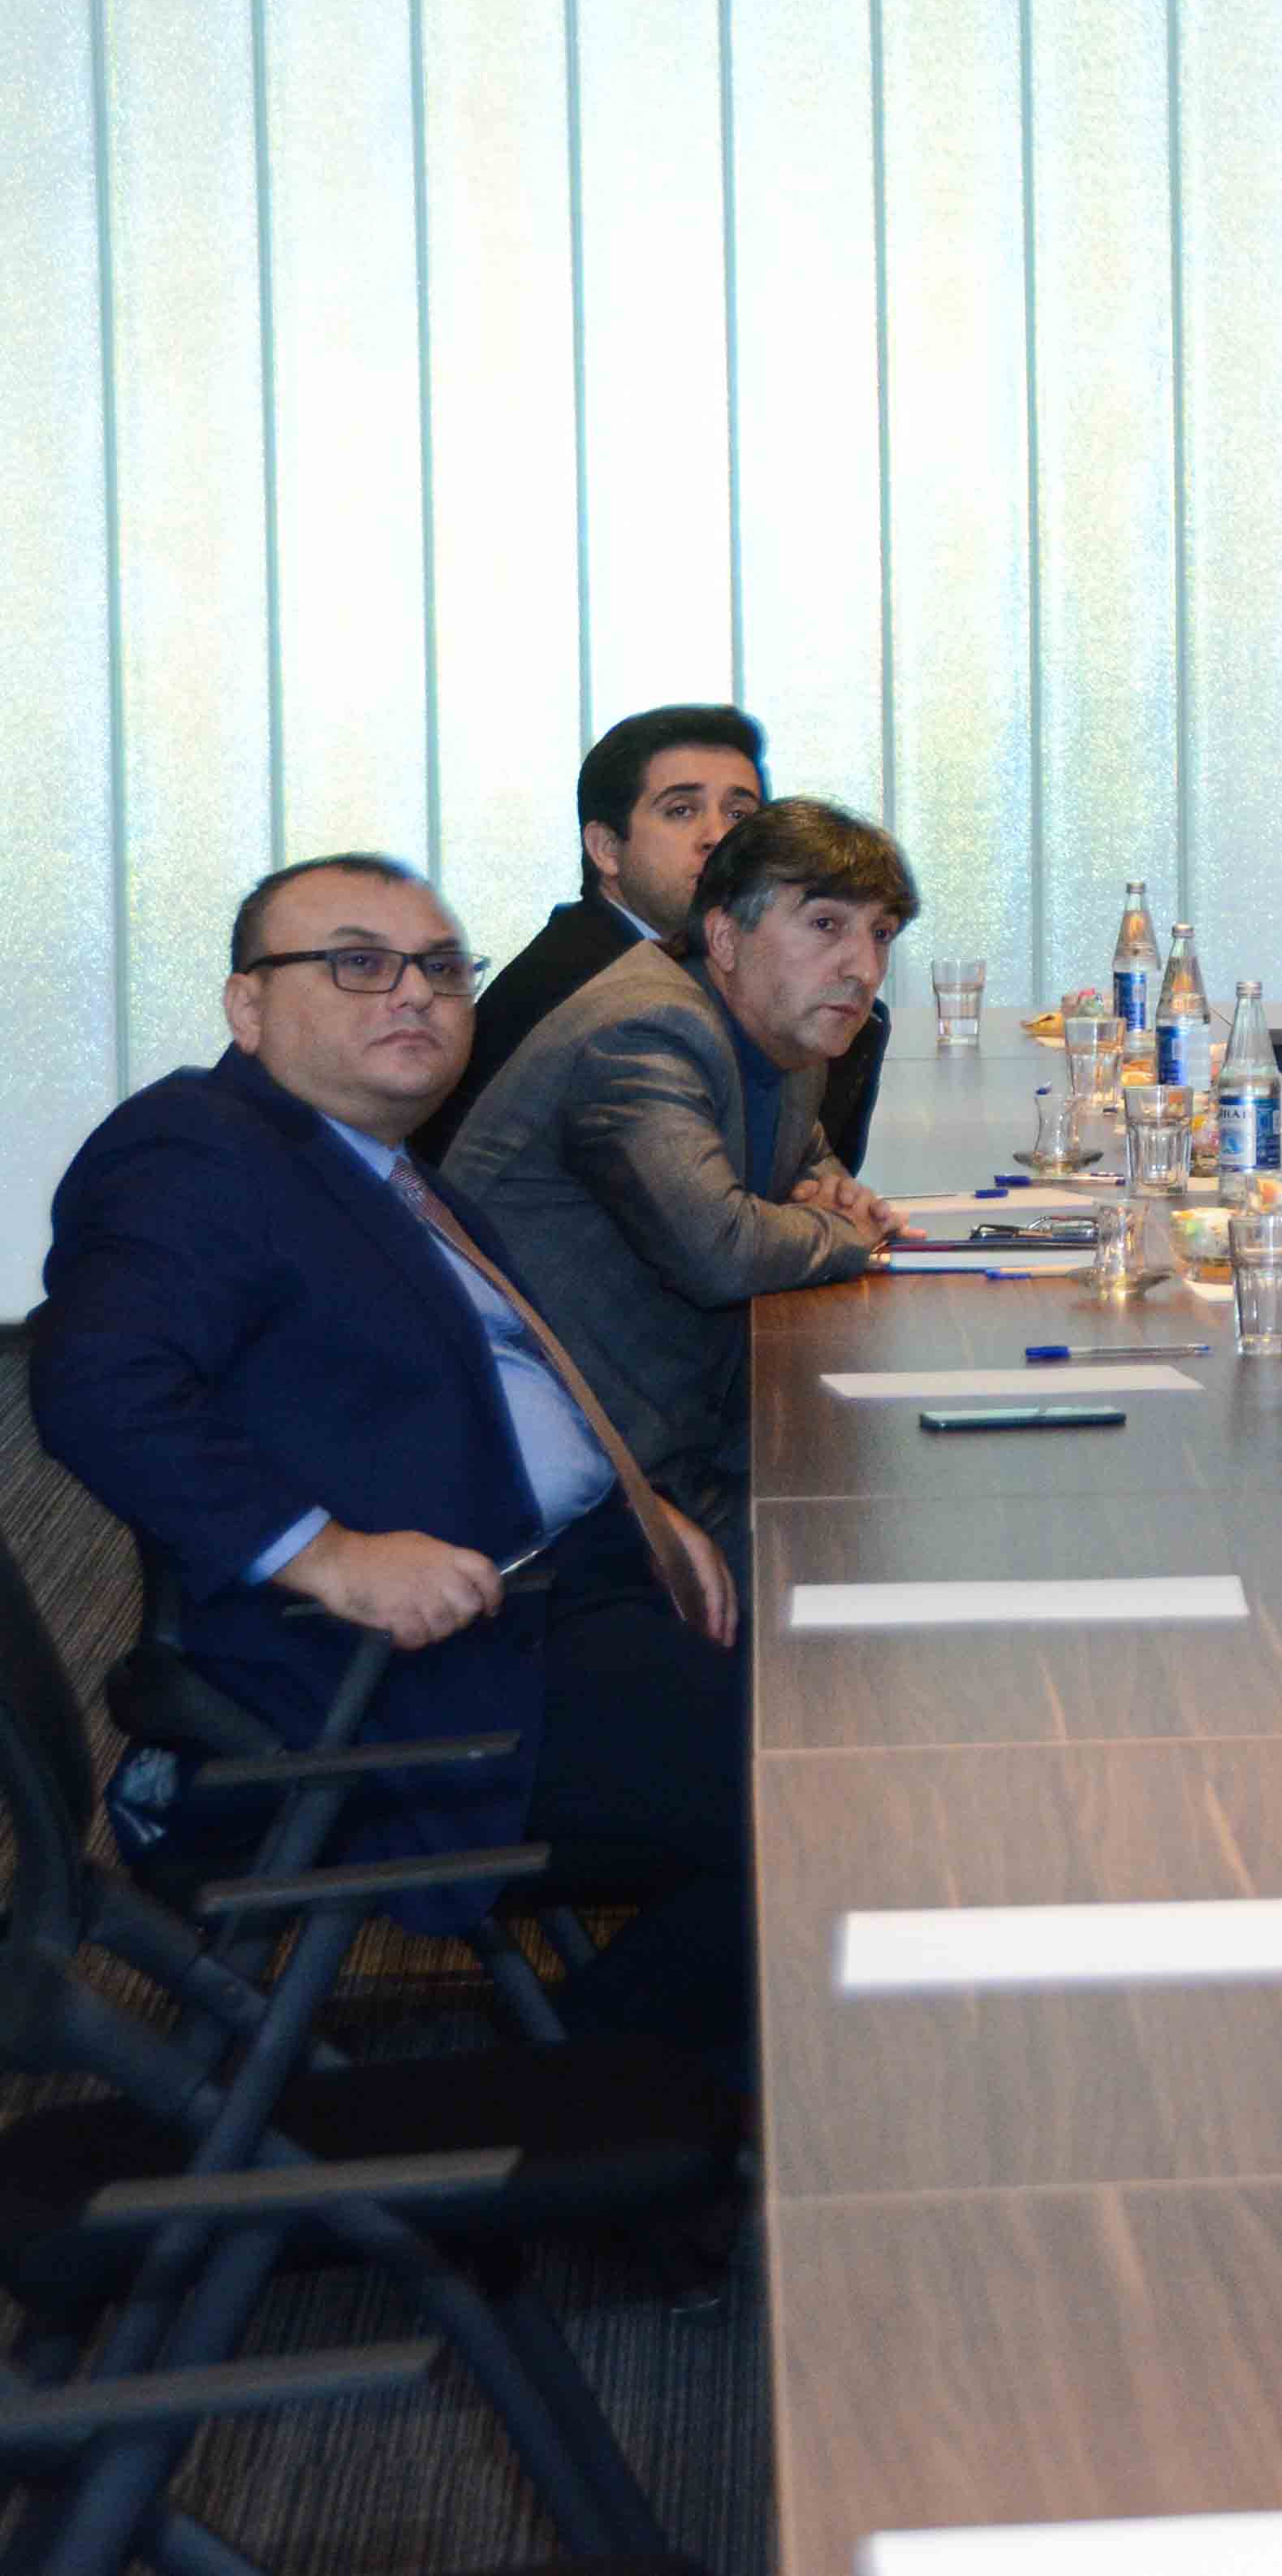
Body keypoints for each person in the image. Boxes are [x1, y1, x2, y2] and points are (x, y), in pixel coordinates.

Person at [31, 854, 749, 2055]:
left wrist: (637, 1501)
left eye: (442, 968)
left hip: (566, 1588)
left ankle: (632, 2081)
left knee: (860, 1711)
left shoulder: (368, 1161)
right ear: (247, 1006)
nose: (414, 992)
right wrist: (327, 1554)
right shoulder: (197, 1148)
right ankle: (570, 2099)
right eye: (358, 964)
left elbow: (500, 1383)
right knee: (828, 1792)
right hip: (415, 1676)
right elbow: (95, 1385)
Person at [443, 799, 920, 1545]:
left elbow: (805, 1160)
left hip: (691, 1420)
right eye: (826, 924)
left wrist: (833, 1195)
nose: (863, 968)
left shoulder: (784, 1027)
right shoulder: (643, 1030)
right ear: (725, 936)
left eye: (881, 933)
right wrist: (848, 1232)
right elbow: (720, 1250)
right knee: (880, 1530)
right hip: (583, 1470)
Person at [417, 702, 889, 1176]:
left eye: (740, 814)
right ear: (606, 849)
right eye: (681, 811)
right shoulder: (585, 989)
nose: (718, 837)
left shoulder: (741, 982)